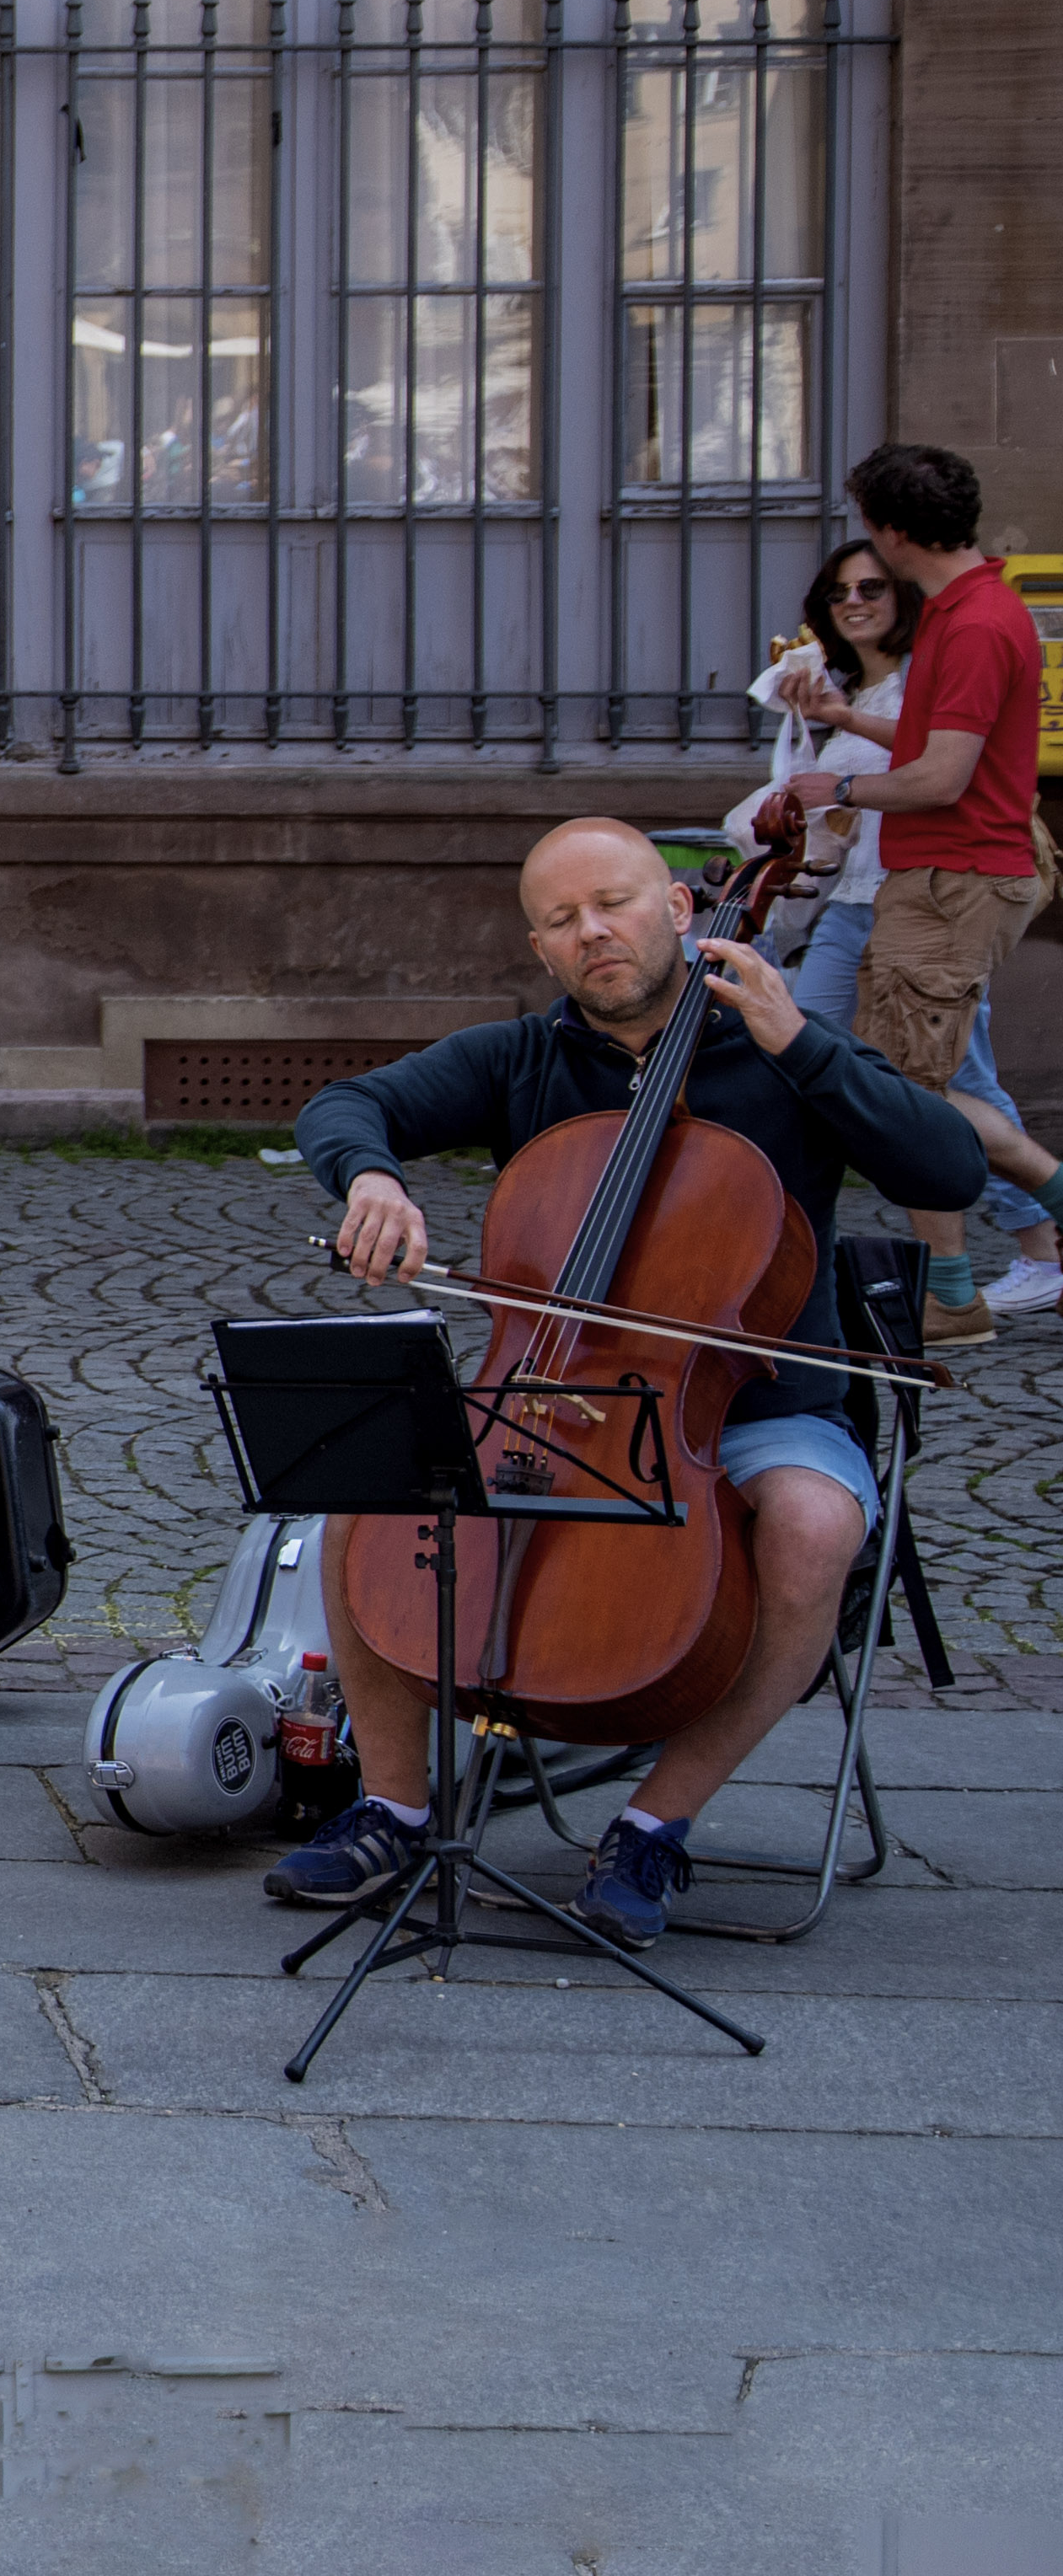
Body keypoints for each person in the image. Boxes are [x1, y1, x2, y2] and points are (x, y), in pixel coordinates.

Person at [268, 817, 985, 1946]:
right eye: (561, 922)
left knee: (811, 1527)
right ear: (542, 950)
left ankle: (654, 1828)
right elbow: (344, 1108)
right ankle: (393, 1806)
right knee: (376, 1488)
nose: (591, 932)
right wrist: (373, 1183)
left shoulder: (789, 1053)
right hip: (551, 1390)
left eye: (612, 902)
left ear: (680, 911)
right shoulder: (524, 1058)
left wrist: (801, 1044)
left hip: (751, 1415)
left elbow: (948, 1166)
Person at [776, 445, 1053, 1343]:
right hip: (941, 875)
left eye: (867, 524)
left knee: (910, 1094)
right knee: (906, 1082)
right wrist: (845, 721)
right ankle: (960, 1282)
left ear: (892, 530)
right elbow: (935, 735)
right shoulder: (967, 608)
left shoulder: (973, 623)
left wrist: (841, 788)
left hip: (950, 877)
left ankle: (955, 1294)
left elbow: (941, 773)